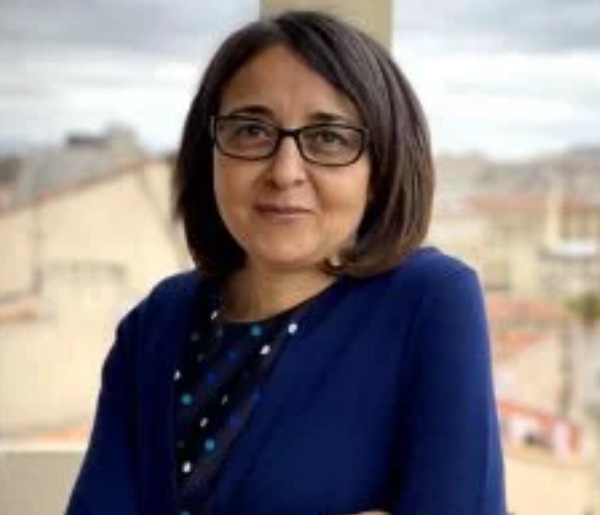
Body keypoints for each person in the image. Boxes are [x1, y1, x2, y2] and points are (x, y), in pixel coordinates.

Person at [65, 10, 507, 515]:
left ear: (380, 169)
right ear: (209, 154)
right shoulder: (155, 324)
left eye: (329, 138)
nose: (284, 171)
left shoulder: (429, 303)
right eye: (251, 130)